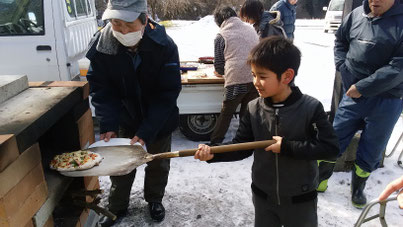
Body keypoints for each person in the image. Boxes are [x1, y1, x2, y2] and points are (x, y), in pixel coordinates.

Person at [194, 37, 339, 227]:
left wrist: (288, 147)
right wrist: (213, 153)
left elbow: (330, 148)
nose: (255, 82)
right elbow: (241, 147)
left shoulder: (310, 108)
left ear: (287, 76)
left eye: (262, 76)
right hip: (264, 198)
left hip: (300, 200)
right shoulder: (254, 108)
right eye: (253, 75)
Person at [85, 0, 181, 225]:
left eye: (129, 24)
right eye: (117, 24)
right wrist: (108, 123)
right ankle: (117, 207)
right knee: (121, 166)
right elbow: (102, 88)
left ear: (144, 20)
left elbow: (166, 94)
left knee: (158, 162)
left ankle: (154, 199)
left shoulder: (164, 45)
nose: (123, 31)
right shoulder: (102, 45)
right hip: (124, 117)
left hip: (158, 119)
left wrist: (147, 131)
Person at [318, 0, 403, 209]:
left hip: (388, 98)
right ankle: (319, 179)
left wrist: (363, 86)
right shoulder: (356, 15)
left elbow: (398, 66)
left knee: (372, 147)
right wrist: (342, 67)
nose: (375, 1)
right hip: (352, 95)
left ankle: (358, 188)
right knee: (335, 137)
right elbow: (340, 42)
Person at [209, 6, 259, 145]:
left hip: (236, 79)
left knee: (227, 113)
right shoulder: (250, 29)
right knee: (248, 112)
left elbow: (219, 66)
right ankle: (247, 141)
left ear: (220, 21)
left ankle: (215, 143)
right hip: (255, 76)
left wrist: (221, 72)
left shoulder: (221, 35)